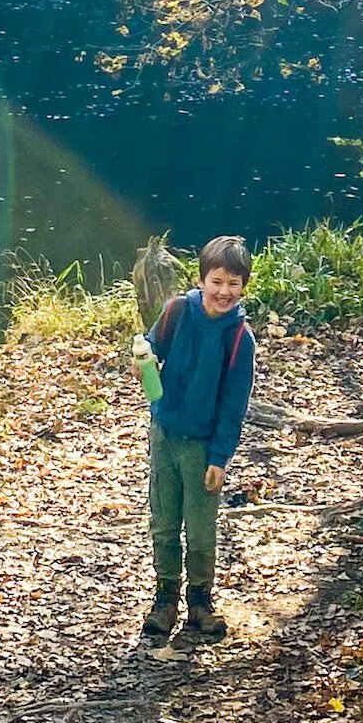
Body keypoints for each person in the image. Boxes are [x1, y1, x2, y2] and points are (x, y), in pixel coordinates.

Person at [141, 233, 256, 648]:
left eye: (233, 284)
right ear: (202, 279)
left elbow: (233, 407)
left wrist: (220, 457)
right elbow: (151, 346)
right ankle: (164, 599)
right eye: (217, 281)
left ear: (243, 286)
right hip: (164, 434)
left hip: (203, 446)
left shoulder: (240, 339)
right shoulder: (176, 311)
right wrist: (147, 358)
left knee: (201, 528)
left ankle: (200, 602)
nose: (224, 292)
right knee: (164, 520)